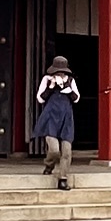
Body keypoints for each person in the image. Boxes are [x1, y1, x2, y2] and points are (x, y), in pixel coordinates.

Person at [33, 55, 80, 190]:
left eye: (62, 71)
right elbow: (40, 98)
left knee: (66, 151)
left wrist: (67, 88)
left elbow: (76, 98)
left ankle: (63, 178)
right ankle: (49, 164)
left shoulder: (70, 81)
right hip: (51, 117)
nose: (60, 73)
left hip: (66, 117)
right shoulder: (47, 80)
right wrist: (51, 86)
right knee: (54, 150)